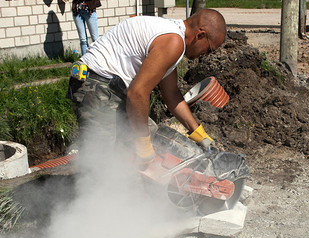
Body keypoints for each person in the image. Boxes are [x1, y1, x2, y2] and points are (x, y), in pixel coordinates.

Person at [67, 8, 227, 169]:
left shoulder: (172, 37)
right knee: (103, 160)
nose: (206, 55)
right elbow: (137, 93)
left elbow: (171, 95)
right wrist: (143, 145)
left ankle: (128, 185)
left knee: (152, 138)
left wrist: (199, 134)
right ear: (200, 35)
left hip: (109, 88)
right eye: (210, 49)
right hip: (96, 86)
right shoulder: (173, 42)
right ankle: (94, 190)